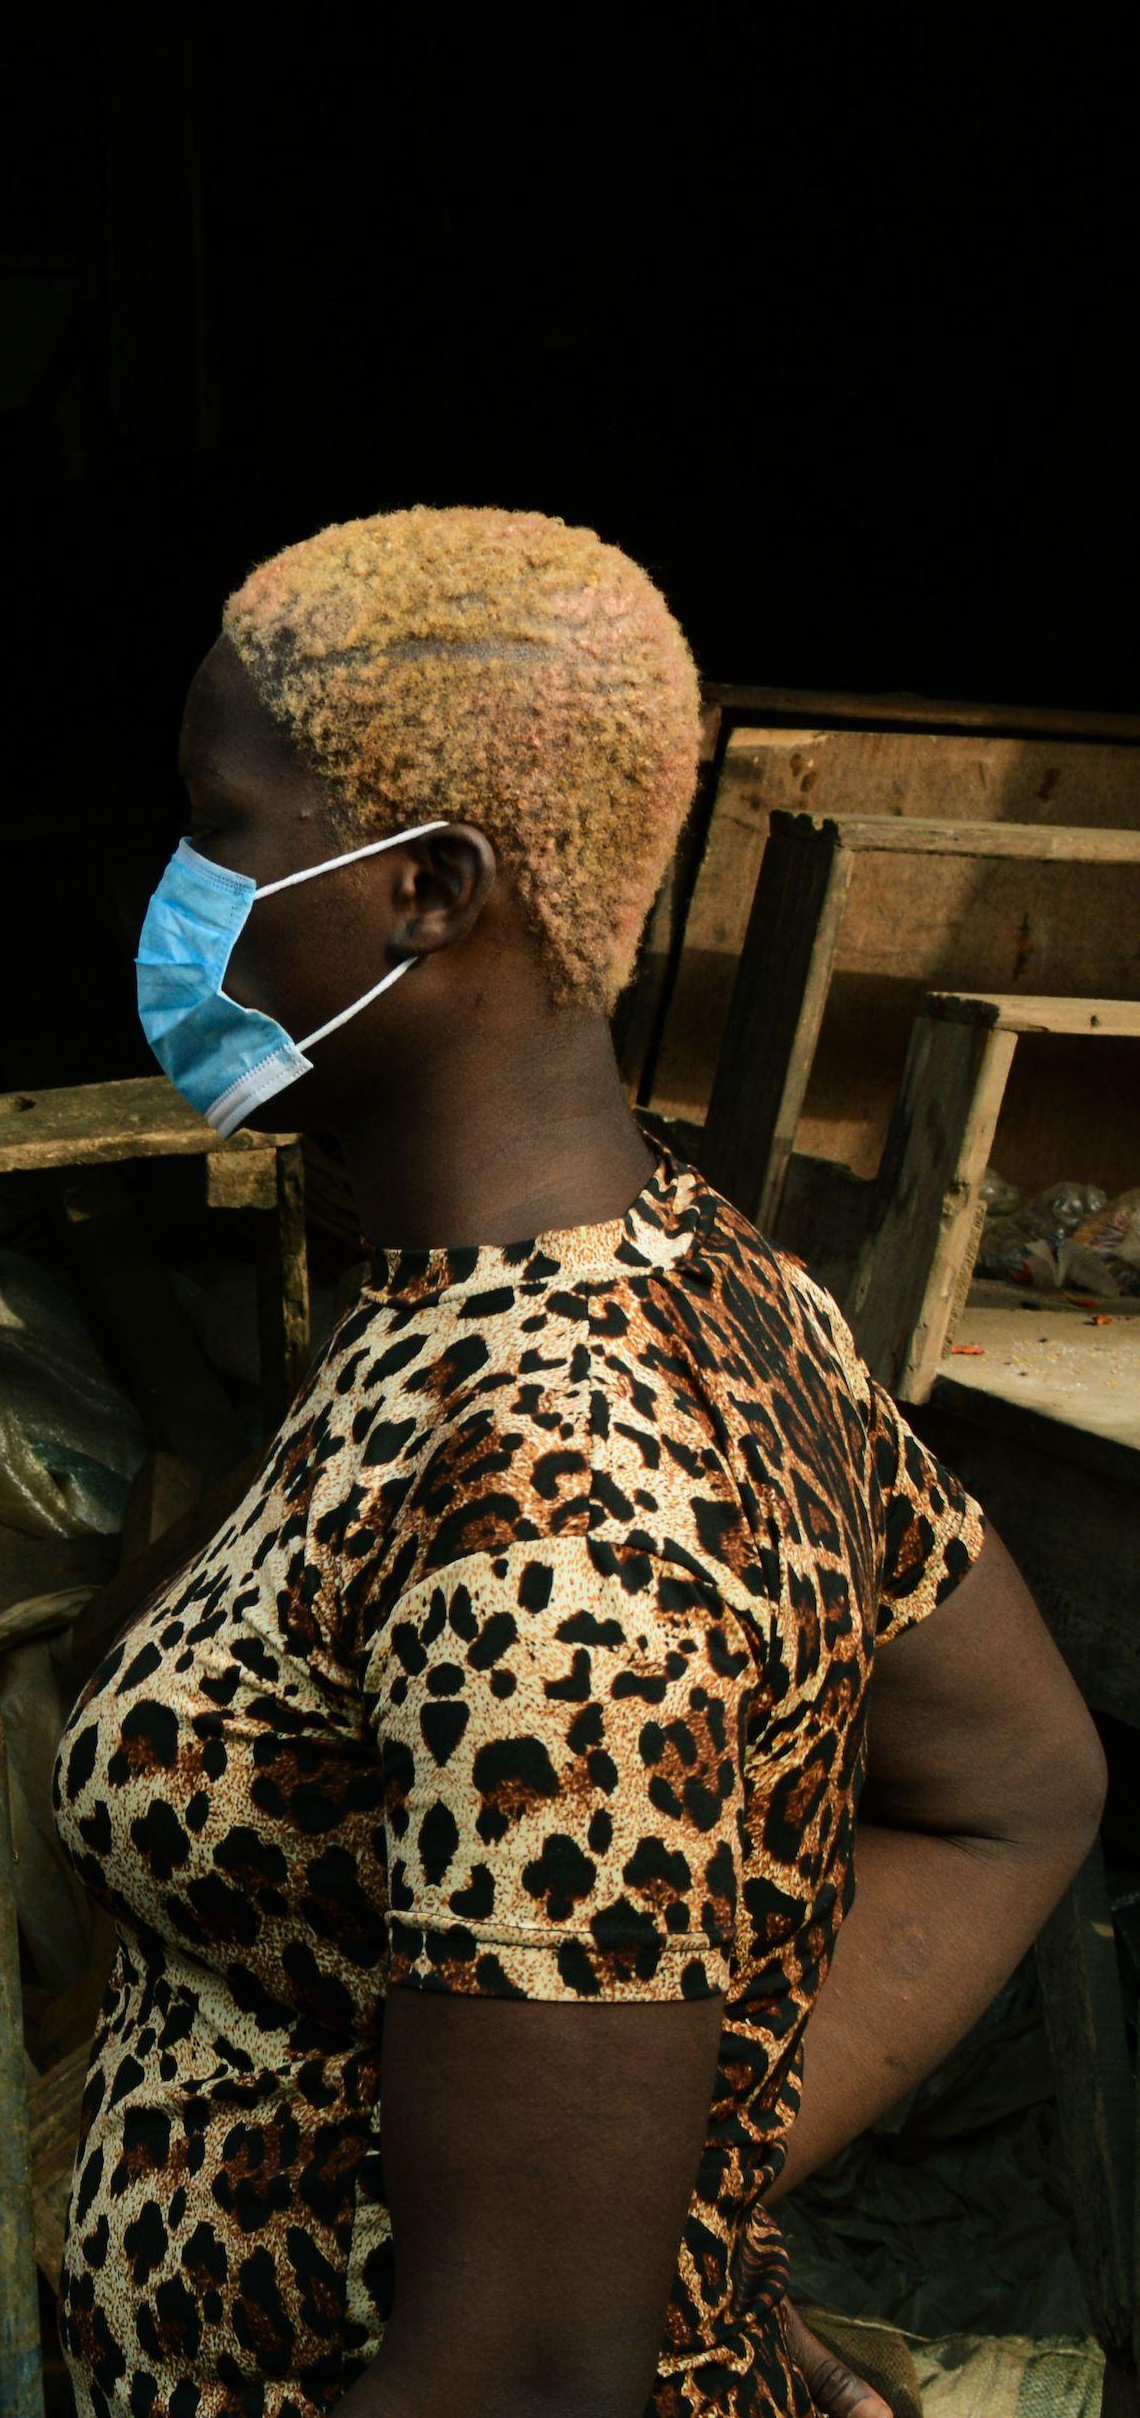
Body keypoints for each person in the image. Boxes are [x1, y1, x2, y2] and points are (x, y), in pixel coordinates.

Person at [60, 508, 1105, 2418]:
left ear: (430, 890)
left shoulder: (566, 1497)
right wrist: (663, 2177)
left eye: (218, 827)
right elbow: (1016, 1778)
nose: (177, 889)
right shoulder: (671, 1274)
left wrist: (617, 2234)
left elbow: (532, 2372)